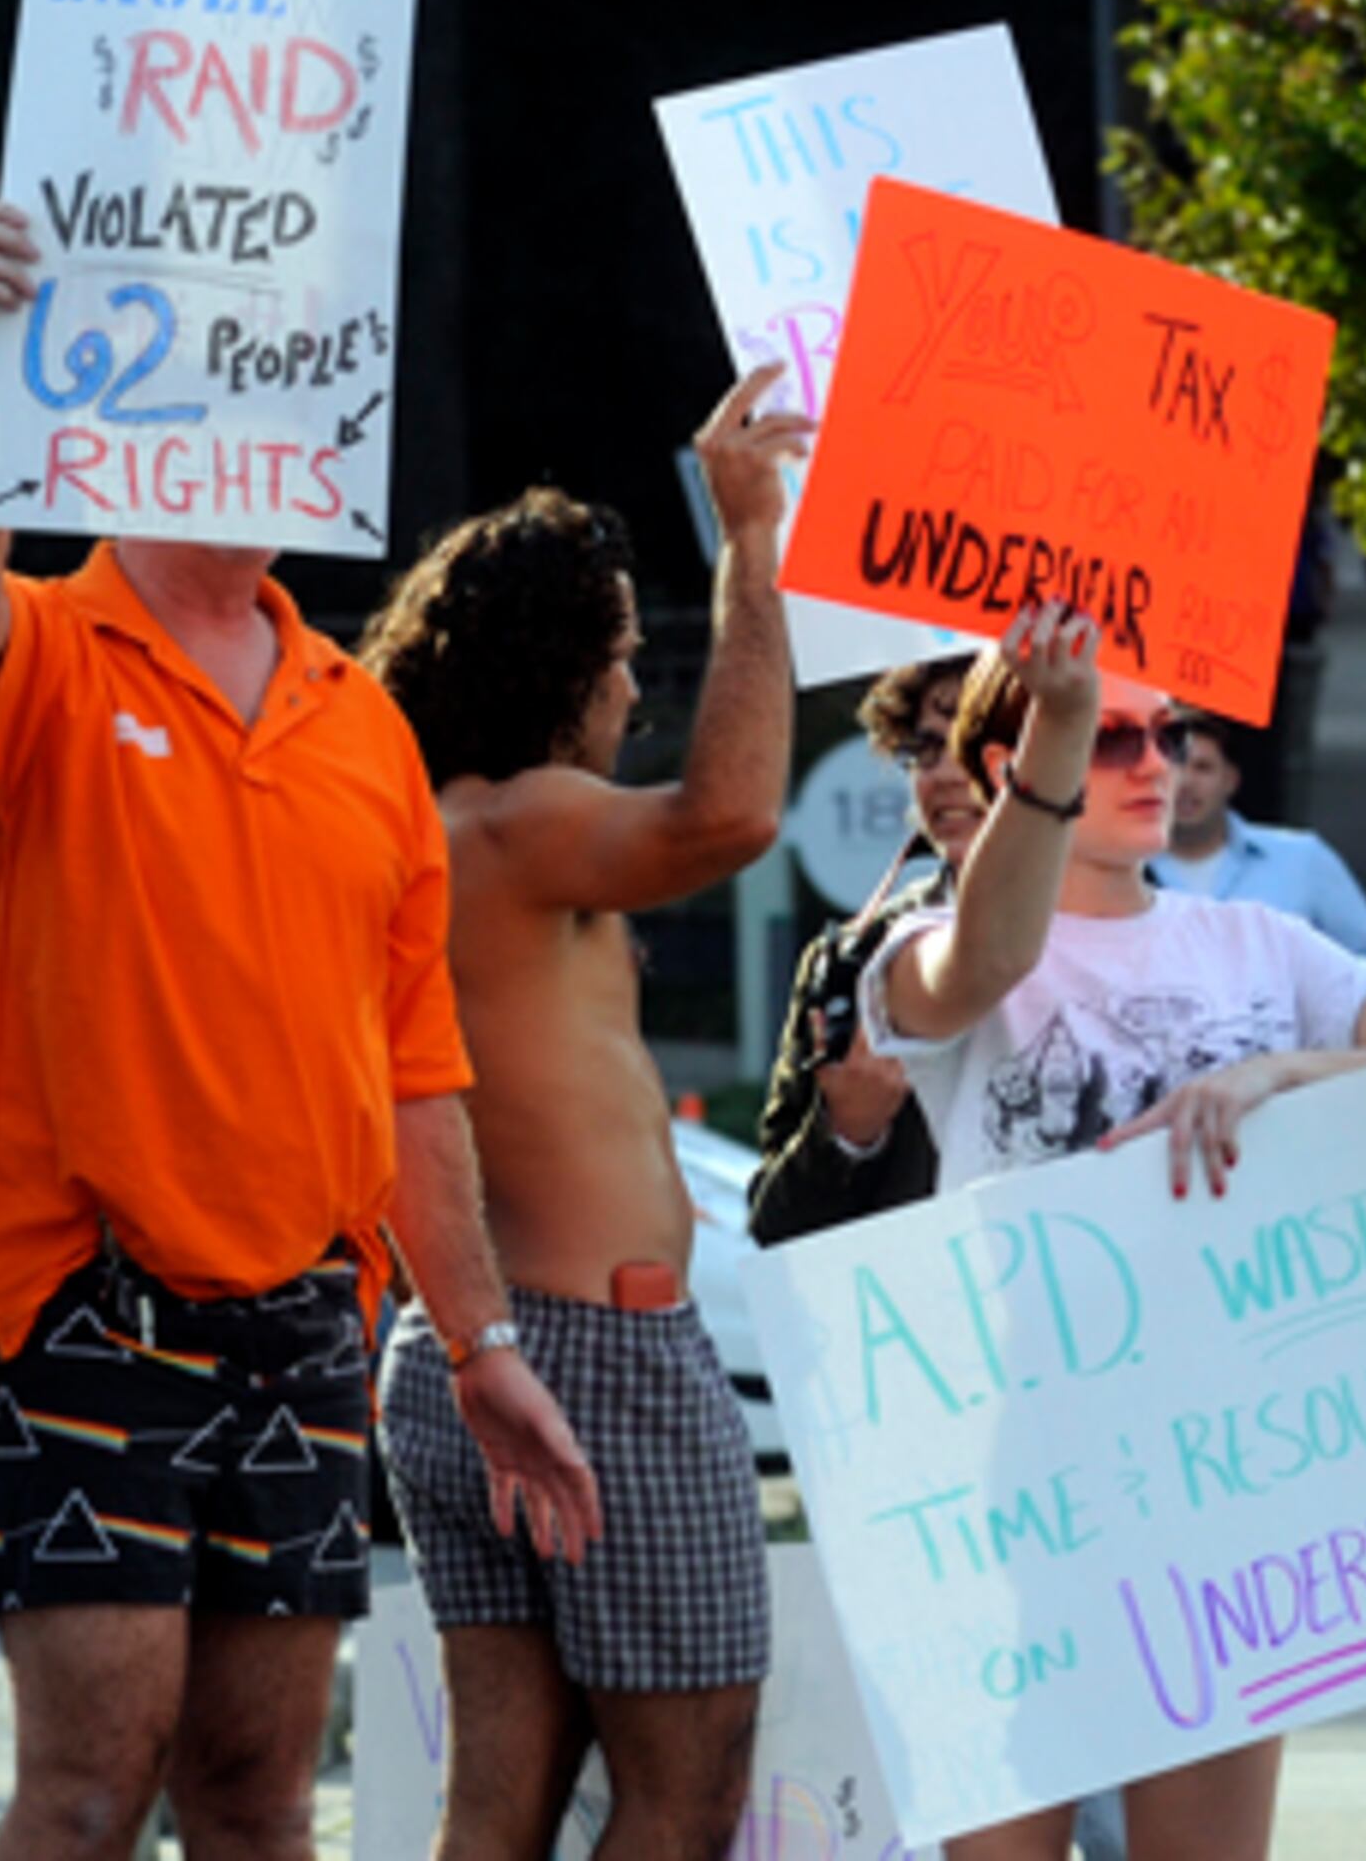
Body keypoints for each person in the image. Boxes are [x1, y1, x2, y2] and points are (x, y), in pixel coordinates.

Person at [0, 203, 600, 1861]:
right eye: (223, 390)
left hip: (301, 1326)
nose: (264, 425)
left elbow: (417, 1075)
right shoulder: (55, 645)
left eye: (287, 390)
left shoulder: (361, 719)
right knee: (86, 1794)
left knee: (259, 1801)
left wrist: (481, 1343)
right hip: (73, 1298)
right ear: (128, 428)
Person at [856, 606, 1366, 1861]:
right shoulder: (928, 949)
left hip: (1224, 1483)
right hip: (1014, 1483)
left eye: (1170, 735)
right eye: (1114, 738)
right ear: (1005, 768)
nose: (1157, 767)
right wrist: (1056, 725)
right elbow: (976, 965)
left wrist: (1282, 1078)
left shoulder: (1263, 943)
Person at [353, 364, 813, 1861]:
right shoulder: (522, 814)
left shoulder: (432, 824)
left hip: (468, 1342)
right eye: (617, 655)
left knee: (499, 1801)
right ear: (558, 669)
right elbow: (732, 817)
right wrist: (753, 547)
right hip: (596, 1352)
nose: (634, 686)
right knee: (683, 1798)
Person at [746, 651, 982, 1246]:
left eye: (975, 742)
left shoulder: (1142, 943)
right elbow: (775, 1229)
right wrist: (848, 1131)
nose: (947, 772)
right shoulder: (850, 962)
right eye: (924, 750)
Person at [1150, 712, 1366, 980]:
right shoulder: (1123, 867)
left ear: (1230, 780)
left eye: (1203, 768)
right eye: (1173, 767)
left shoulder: (1301, 857)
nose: (1186, 783)